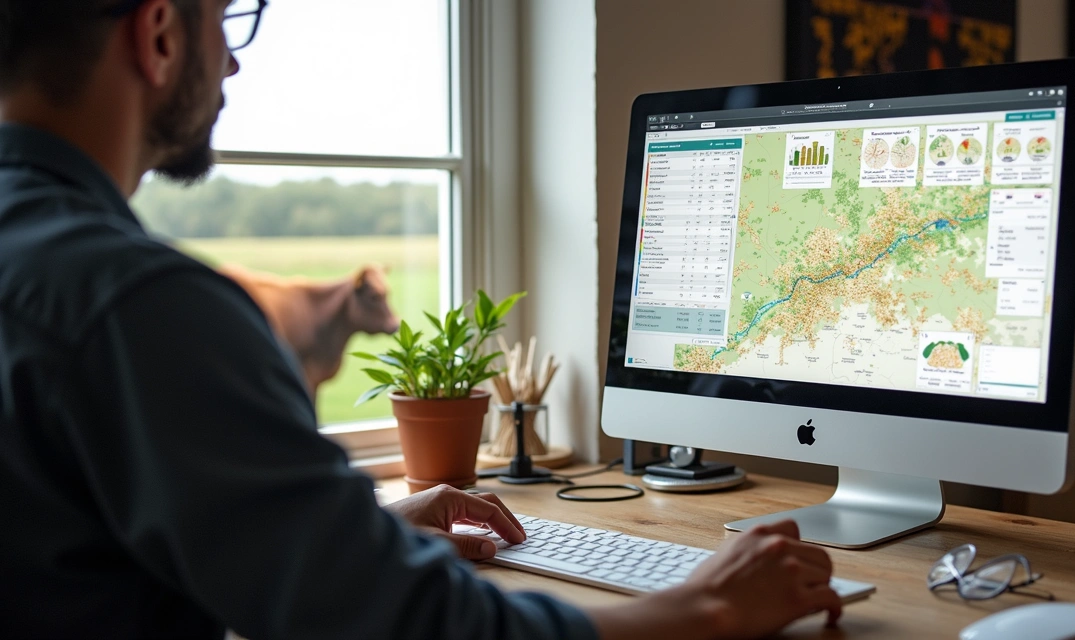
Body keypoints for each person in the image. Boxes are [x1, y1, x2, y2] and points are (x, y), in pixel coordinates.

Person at [0, 1, 842, 638]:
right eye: (228, 20)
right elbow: (418, 626)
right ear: (158, 34)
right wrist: (704, 607)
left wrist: (345, 538)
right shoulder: (139, 306)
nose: (232, 65)